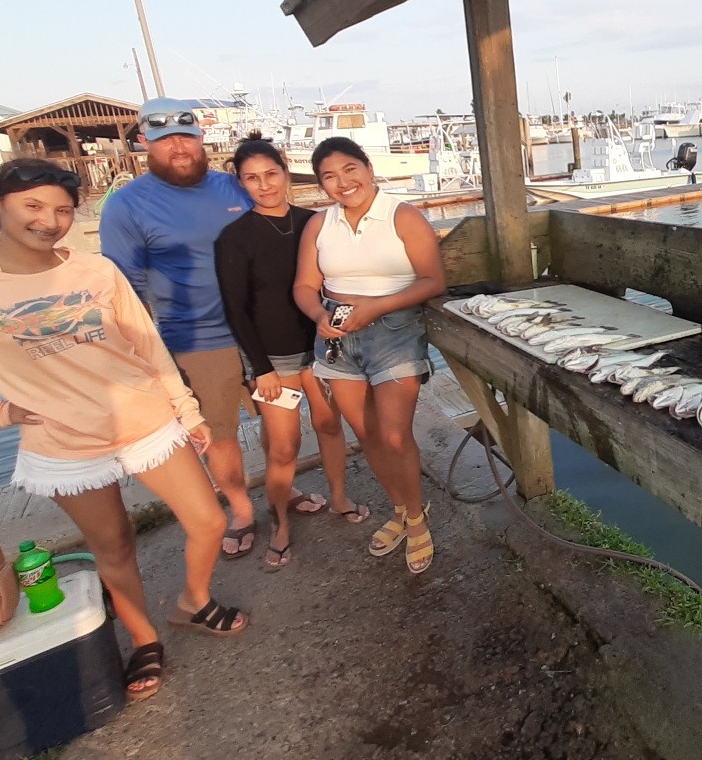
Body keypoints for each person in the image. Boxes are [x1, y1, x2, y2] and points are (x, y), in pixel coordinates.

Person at [0, 159, 250, 704]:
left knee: (207, 519)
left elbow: (146, 345)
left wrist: (187, 411)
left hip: (144, 420)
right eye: (33, 206)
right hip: (62, 445)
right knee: (113, 544)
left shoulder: (97, 271)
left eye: (61, 209)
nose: (49, 220)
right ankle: (142, 636)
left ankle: (193, 600)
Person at [101, 97, 324, 559]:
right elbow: (123, 290)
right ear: (144, 142)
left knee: (280, 428)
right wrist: (144, 355)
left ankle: (282, 491)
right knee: (219, 434)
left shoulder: (238, 186)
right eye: (164, 141)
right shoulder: (126, 206)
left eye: (186, 137)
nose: (178, 148)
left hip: (266, 334)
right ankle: (241, 510)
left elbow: (281, 235)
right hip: (197, 342)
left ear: (202, 138)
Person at [293, 137, 445, 574]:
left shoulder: (403, 216)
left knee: (396, 436)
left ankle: (416, 519)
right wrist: (317, 315)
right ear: (321, 185)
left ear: (368, 167)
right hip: (337, 335)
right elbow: (305, 285)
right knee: (369, 436)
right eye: (329, 176)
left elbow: (433, 280)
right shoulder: (320, 225)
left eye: (349, 169)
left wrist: (376, 307)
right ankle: (399, 510)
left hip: (394, 331)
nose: (342, 183)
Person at [216, 140, 369, 569]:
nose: (264, 185)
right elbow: (236, 309)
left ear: (286, 172)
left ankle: (338, 498)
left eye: (270, 174)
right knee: (283, 446)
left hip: (322, 348)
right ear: (241, 183)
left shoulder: (315, 223)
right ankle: (280, 521)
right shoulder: (234, 237)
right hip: (272, 362)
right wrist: (258, 369)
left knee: (329, 424)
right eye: (251, 178)